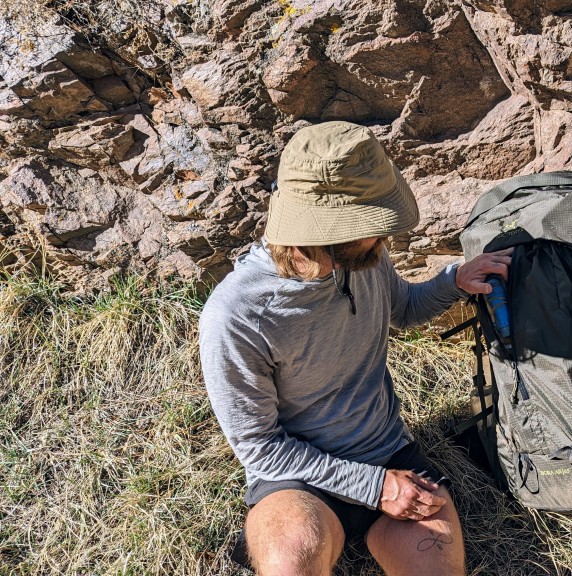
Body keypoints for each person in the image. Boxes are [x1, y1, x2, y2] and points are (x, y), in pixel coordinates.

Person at [199, 121, 512, 576]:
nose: (384, 238)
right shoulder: (235, 317)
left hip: (386, 452)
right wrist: (374, 488)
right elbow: (260, 447)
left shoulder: (362, 257)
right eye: (371, 225)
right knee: (291, 562)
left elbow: (402, 308)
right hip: (297, 480)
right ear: (326, 232)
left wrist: (455, 281)